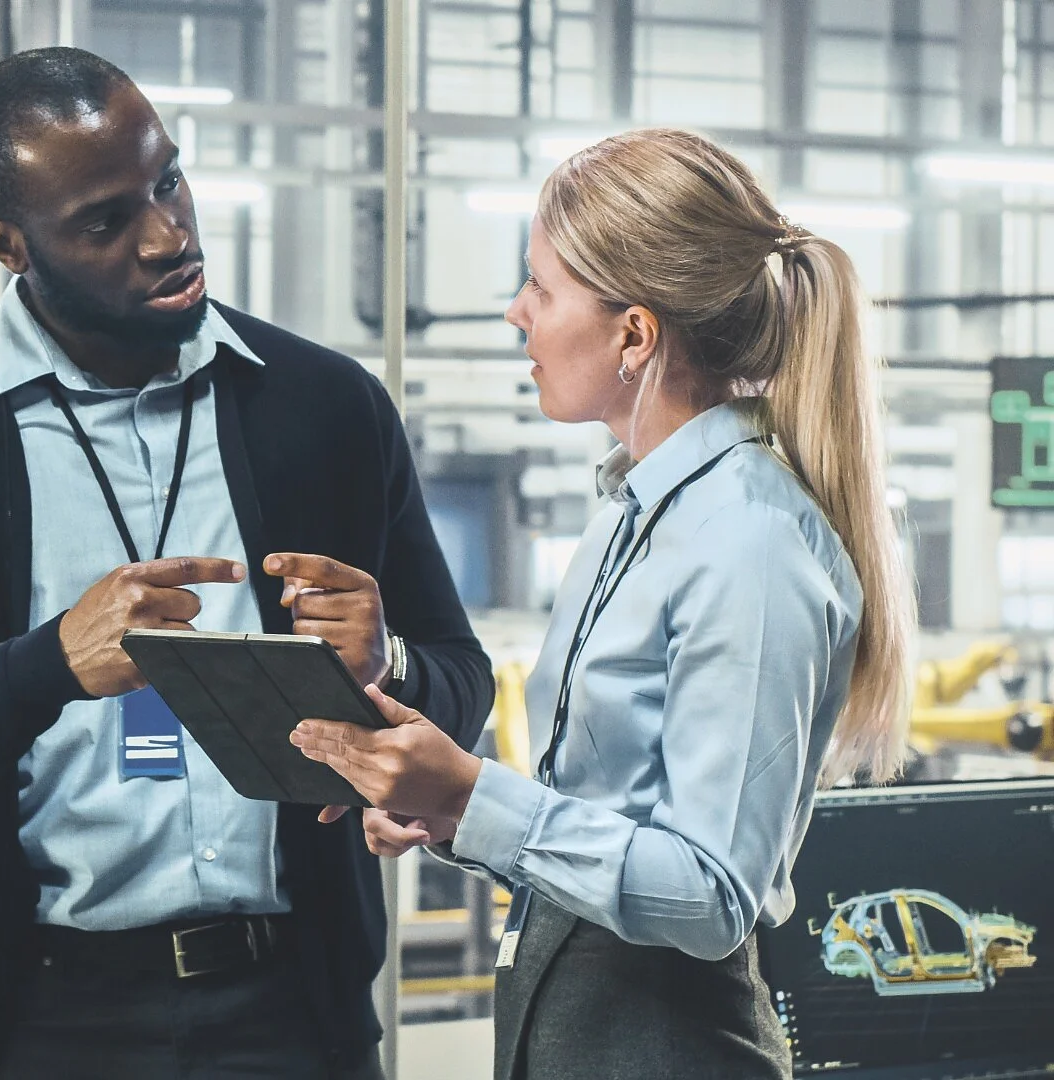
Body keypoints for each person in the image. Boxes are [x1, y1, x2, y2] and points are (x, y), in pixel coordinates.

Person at [0, 46, 493, 1080]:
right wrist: (51, 666)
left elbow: (463, 684)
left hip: (294, 1015)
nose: (168, 235)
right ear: (8, 244)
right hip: (36, 1022)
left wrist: (393, 670)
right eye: (105, 221)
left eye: (168, 178)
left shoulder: (328, 410)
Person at [290, 127, 914, 1080]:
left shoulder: (747, 543)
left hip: (669, 1040)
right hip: (571, 1016)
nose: (514, 313)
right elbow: (604, 819)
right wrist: (449, 810)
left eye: (539, 286)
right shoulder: (637, 515)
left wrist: (473, 792)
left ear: (635, 333)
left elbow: (710, 895)